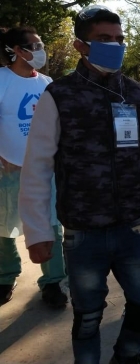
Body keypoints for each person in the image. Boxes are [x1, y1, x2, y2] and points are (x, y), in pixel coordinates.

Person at [19, 5, 140, 364]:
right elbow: (37, 166)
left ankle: (126, 355)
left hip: (133, 226)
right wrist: (37, 231)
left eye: (119, 39)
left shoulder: (136, 94)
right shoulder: (59, 96)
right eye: (104, 39)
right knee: (87, 318)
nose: (115, 46)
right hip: (84, 231)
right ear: (80, 46)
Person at [0, 27, 67, 308]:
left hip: (44, 170)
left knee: (51, 226)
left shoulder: (47, 83)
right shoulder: (1, 80)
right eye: (35, 45)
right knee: (4, 227)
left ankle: (52, 282)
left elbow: (58, 125)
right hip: (8, 171)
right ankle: (5, 276)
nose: (41, 50)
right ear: (17, 50)